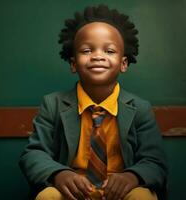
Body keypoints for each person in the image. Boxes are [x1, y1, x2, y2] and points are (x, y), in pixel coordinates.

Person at [19, 4, 167, 200]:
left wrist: (132, 177)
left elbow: (155, 161)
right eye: (87, 50)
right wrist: (59, 174)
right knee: (48, 196)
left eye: (110, 51)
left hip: (120, 191)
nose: (98, 56)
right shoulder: (52, 104)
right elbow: (34, 154)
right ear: (73, 63)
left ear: (124, 63)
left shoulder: (140, 108)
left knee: (142, 196)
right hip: (73, 191)